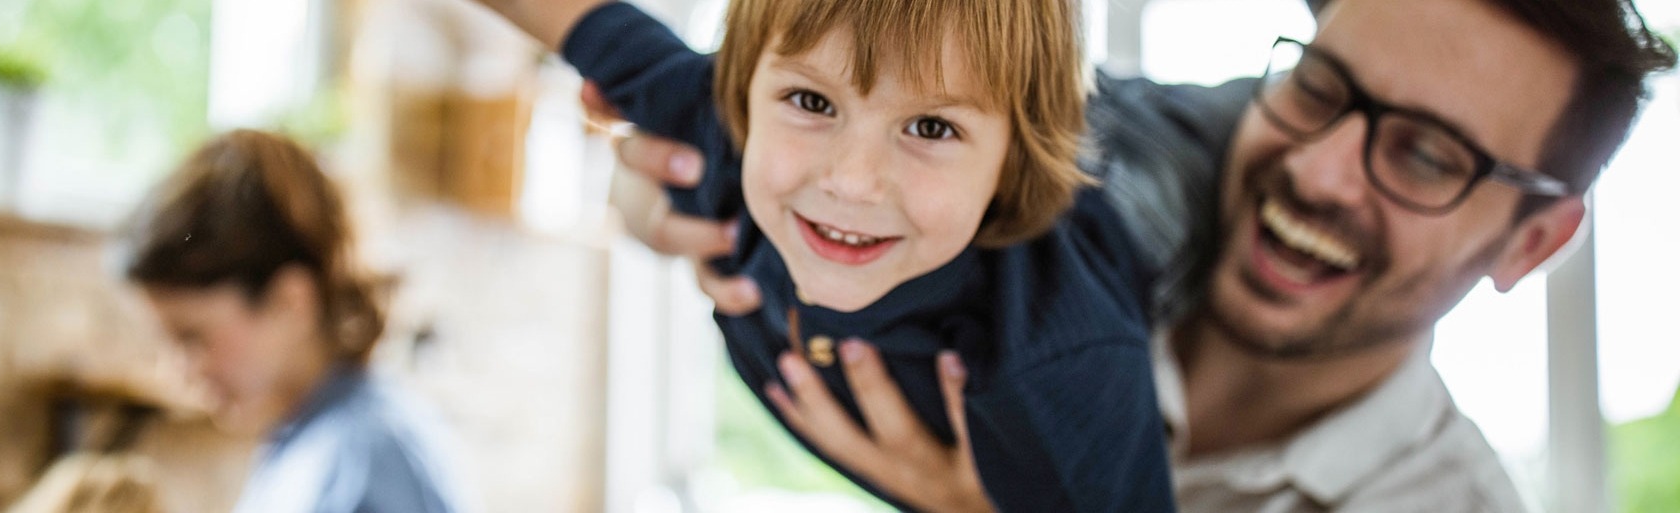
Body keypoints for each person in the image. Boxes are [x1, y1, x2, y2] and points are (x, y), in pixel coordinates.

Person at [607, 0, 1677, 510]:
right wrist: (674, 171)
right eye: (1319, 87)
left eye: (1426, 156)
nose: (1319, 171)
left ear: (1531, 242)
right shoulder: (1129, 172)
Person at [476, 0, 1172, 511]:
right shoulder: (711, 128)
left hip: (1153, 175)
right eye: (812, 100)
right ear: (740, 90)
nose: (851, 181)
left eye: (931, 127)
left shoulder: (1060, 367)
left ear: (1009, 161)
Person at [122, 130, 464, 513]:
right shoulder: (306, 440)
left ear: (290, 302)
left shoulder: (365, 463)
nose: (179, 371)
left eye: (192, 338)